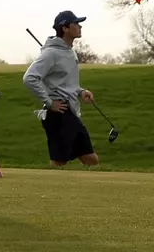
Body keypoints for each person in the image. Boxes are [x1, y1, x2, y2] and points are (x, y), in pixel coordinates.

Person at [24, 11, 99, 167]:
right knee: (59, 162)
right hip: (58, 114)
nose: (80, 26)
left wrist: (81, 91)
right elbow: (30, 78)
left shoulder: (69, 51)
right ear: (65, 28)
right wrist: (49, 102)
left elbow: (66, 83)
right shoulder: (50, 53)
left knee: (91, 160)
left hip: (71, 111)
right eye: (76, 23)